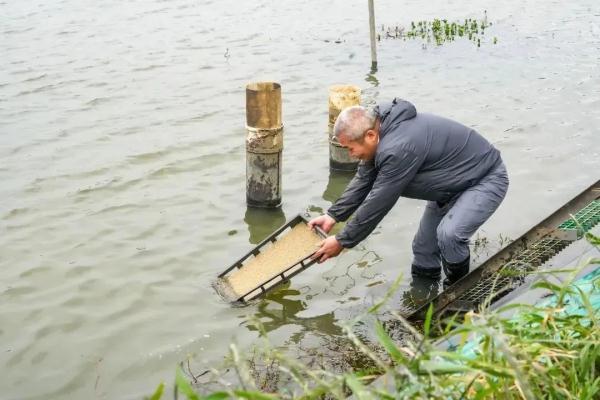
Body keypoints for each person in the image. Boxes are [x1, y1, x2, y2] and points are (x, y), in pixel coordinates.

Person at [308, 98, 509, 285]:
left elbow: (379, 201)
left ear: (370, 136)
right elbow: (363, 180)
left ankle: (459, 294)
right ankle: (424, 298)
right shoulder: (380, 135)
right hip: (447, 190)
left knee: (449, 235)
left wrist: (343, 241)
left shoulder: (398, 148)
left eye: (350, 149)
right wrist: (333, 215)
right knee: (423, 249)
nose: (352, 156)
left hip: (484, 179)